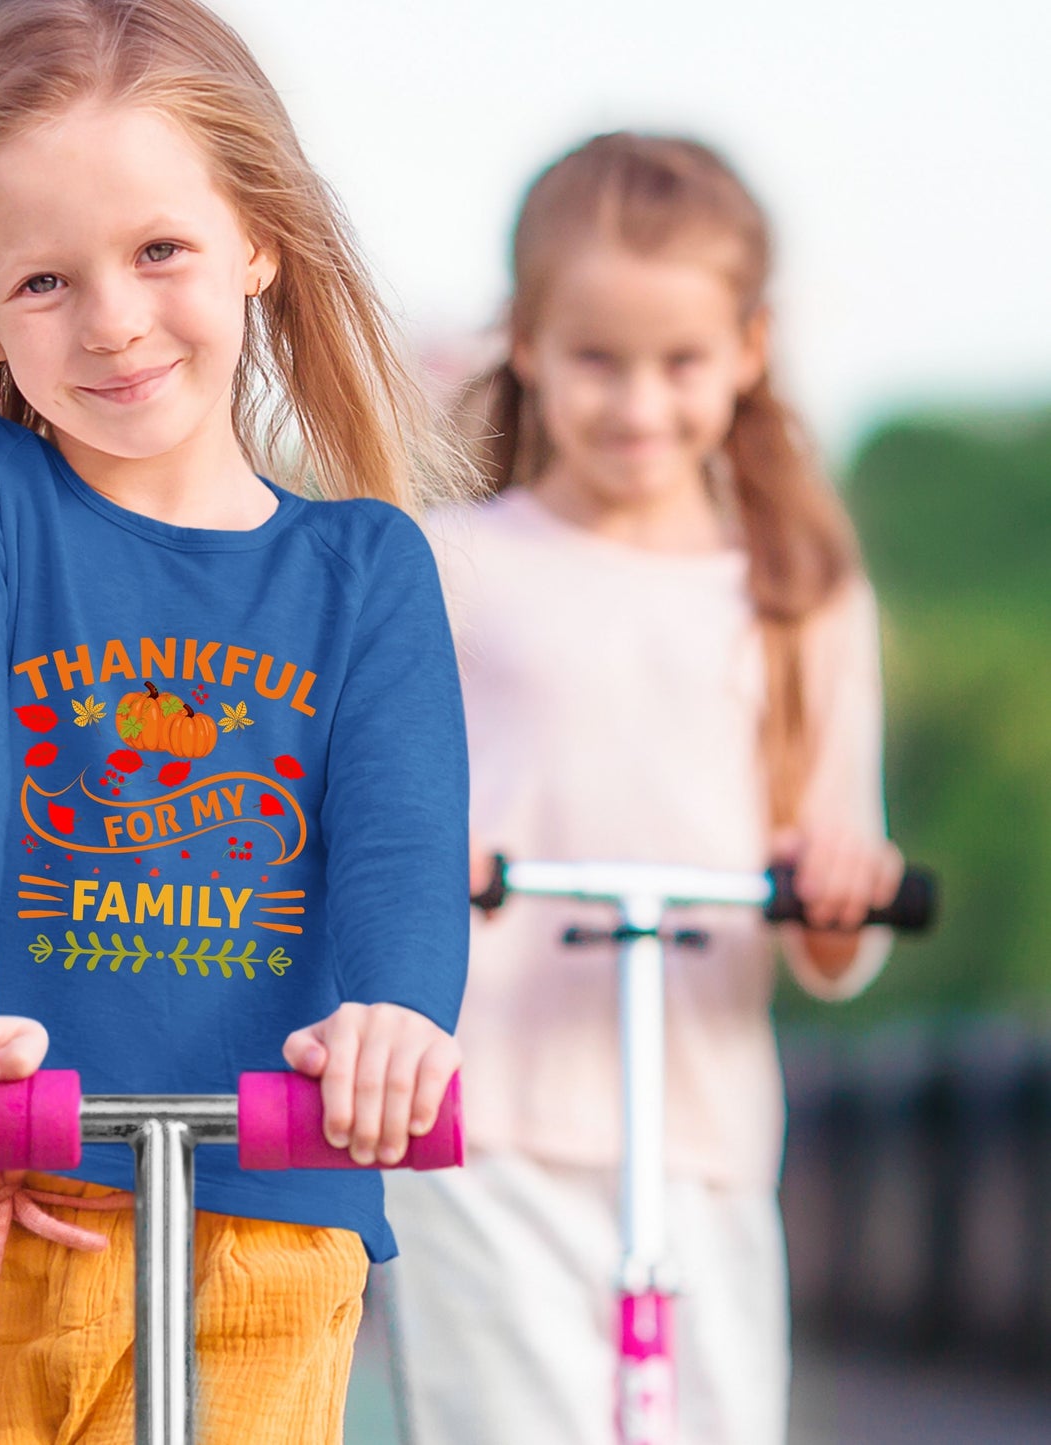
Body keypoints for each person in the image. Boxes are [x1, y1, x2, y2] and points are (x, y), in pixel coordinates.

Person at [0, 2, 472, 1440]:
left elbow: (399, 826)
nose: (115, 320)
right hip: (2, 1202)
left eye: (159, 250)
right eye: (42, 281)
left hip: (265, 1227)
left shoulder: (364, 564)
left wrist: (398, 1019)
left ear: (256, 238)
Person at [382, 132, 905, 1445]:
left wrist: (840, 884)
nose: (637, 404)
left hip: (703, 1129)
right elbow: (366, 808)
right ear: (525, 345)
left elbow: (831, 914)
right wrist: (414, 851)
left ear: (747, 347)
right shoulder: (448, 567)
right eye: (595, 360)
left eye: (678, 363)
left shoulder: (797, 598)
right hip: (487, 1116)